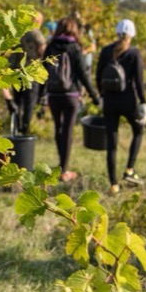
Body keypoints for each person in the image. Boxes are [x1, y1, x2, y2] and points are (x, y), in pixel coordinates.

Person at [43, 17, 100, 181]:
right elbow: (83, 74)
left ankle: (61, 166)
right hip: (70, 95)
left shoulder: (51, 46)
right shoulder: (74, 47)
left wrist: (41, 93)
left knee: (58, 127)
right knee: (67, 130)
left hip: (53, 94)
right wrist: (94, 95)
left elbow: (42, 69)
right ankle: (64, 169)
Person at [95, 19, 146, 192]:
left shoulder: (106, 51)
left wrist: (101, 96)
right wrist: (144, 102)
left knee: (112, 144)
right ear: (132, 35)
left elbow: (98, 76)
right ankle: (129, 169)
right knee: (138, 130)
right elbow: (139, 82)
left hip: (109, 101)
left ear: (116, 33)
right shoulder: (134, 53)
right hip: (128, 101)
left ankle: (113, 184)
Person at [9, 10, 47, 135]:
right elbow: (43, 50)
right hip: (31, 73)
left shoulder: (19, 32)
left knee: (17, 102)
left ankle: (15, 127)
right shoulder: (37, 34)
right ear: (38, 21)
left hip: (17, 72)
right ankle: (25, 129)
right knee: (29, 104)